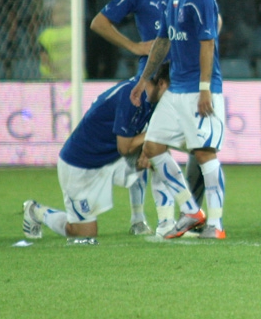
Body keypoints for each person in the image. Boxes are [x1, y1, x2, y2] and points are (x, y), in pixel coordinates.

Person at [90, 0, 202, 237]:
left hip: (186, 78)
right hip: (153, 80)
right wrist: (134, 46)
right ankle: (146, 218)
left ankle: (177, 218)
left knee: (180, 147)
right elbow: (99, 22)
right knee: (150, 148)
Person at [22, 63, 200, 243]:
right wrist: (154, 136)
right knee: (83, 233)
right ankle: (36, 211)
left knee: (159, 157)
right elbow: (125, 147)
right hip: (81, 164)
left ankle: (166, 224)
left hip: (114, 160)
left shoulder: (155, 99)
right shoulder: (132, 96)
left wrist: (151, 146)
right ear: (161, 83)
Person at [129, 0, 227, 240]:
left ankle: (216, 224)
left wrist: (205, 88)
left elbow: (208, 43)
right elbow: (162, 41)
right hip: (176, 89)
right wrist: (144, 79)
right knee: (153, 146)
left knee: (204, 153)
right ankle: (190, 210)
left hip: (199, 89)